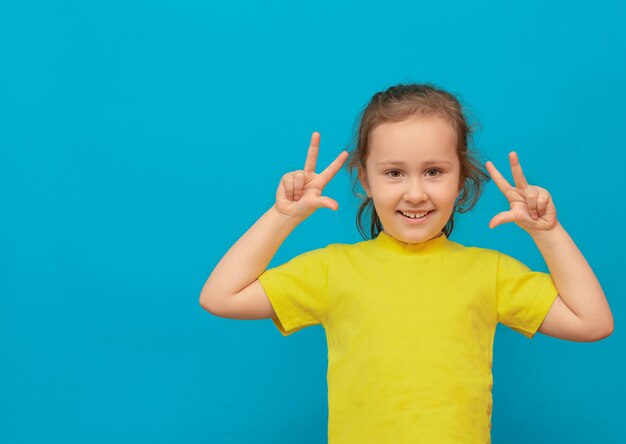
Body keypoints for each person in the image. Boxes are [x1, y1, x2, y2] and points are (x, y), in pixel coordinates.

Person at [199, 83, 614, 443]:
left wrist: (548, 233)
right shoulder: (332, 269)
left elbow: (592, 323)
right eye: (394, 173)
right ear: (365, 179)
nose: (415, 193)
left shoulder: (491, 272)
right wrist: (283, 216)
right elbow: (221, 296)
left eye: (433, 171)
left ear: (460, 179)